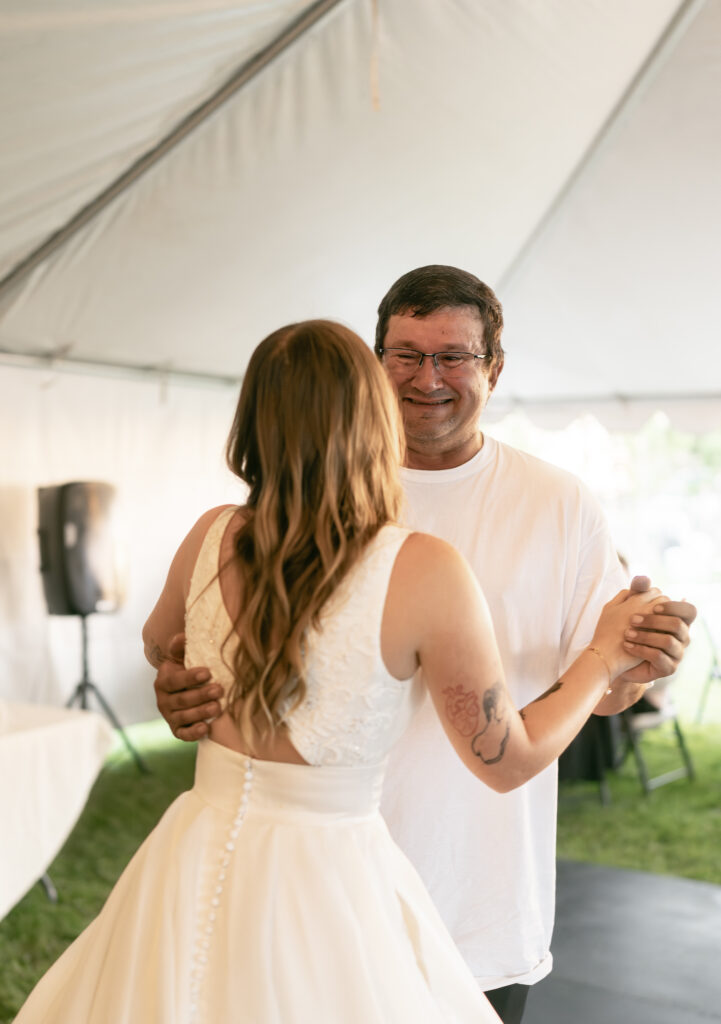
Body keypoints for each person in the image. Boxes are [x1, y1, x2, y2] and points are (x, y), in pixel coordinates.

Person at [14, 319, 681, 1024]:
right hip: (325, 876)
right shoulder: (420, 566)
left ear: (252, 423)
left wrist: (190, 673)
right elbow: (505, 759)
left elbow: (159, 642)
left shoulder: (212, 533)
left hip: (195, 848)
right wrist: (604, 656)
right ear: (371, 417)